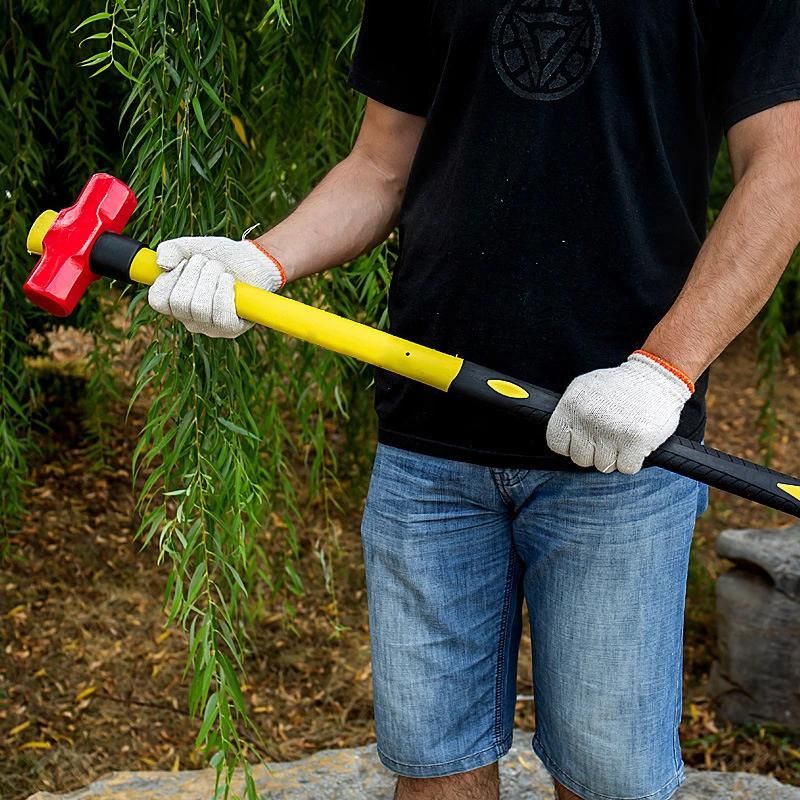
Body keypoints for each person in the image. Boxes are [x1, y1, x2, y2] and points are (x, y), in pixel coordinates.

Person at [147, 2, 800, 798]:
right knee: (433, 768)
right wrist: (263, 261)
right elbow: (380, 165)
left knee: (612, 781)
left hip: (620, 451)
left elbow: (784, 170)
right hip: (430, 444)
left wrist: (662, 369)